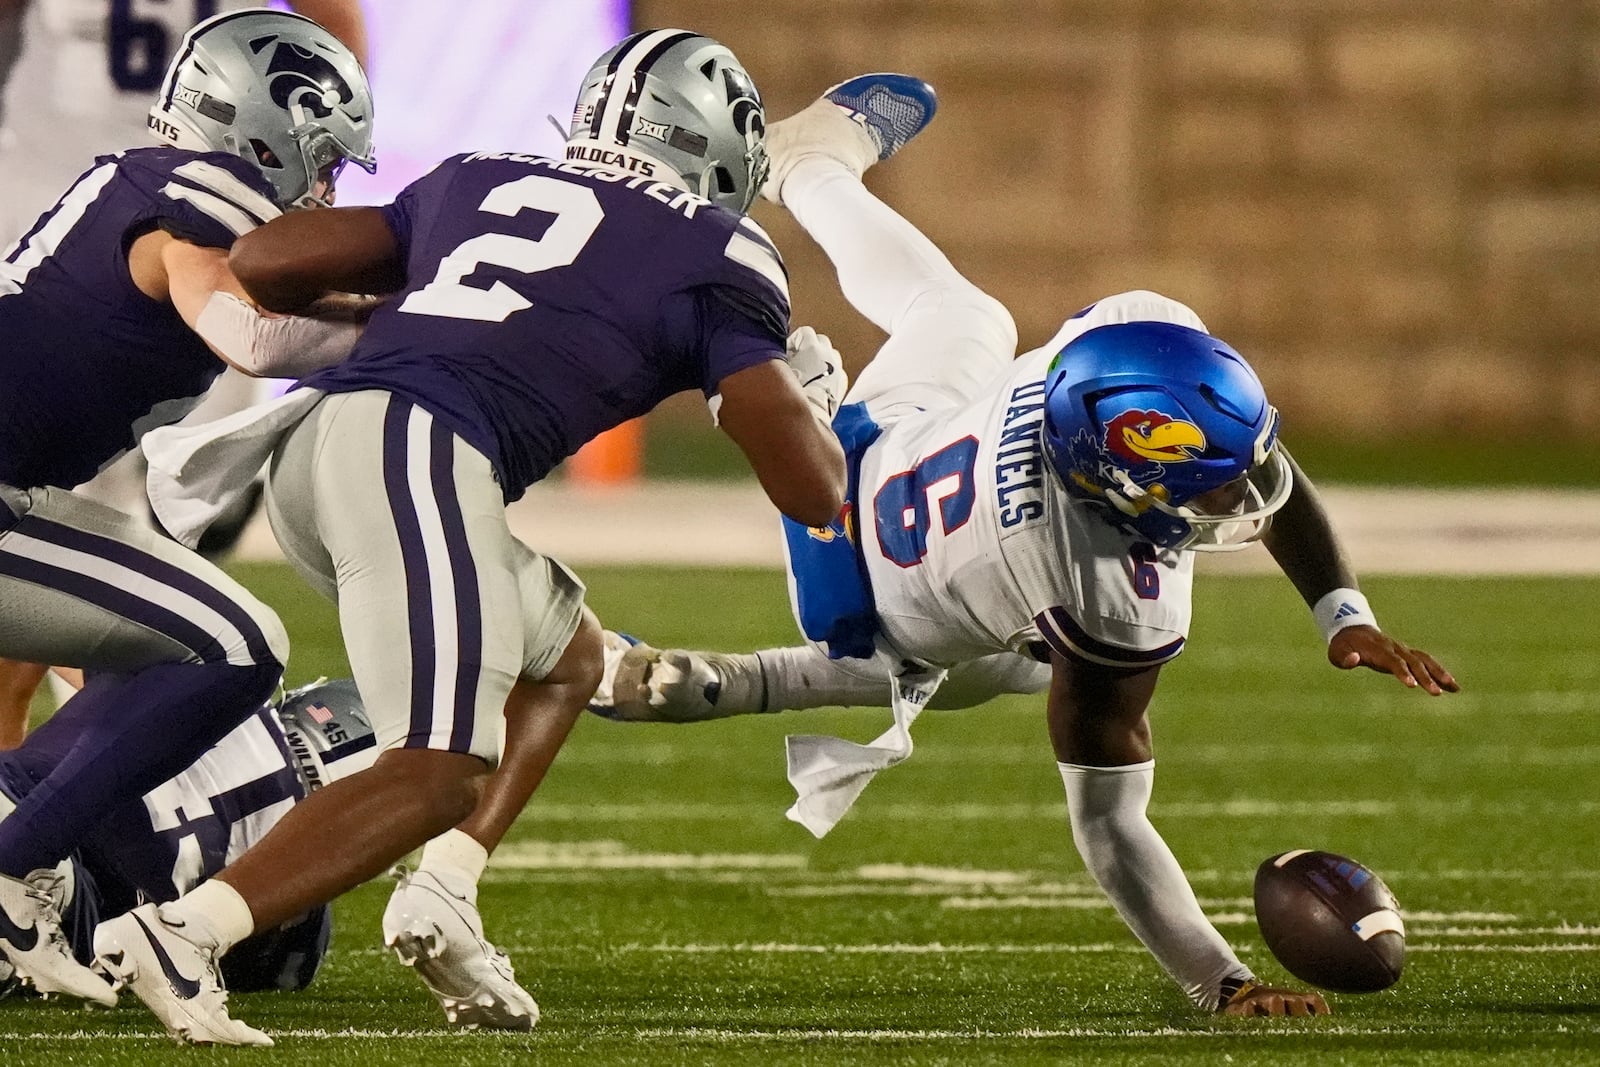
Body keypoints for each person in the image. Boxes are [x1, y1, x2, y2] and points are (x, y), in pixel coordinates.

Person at [589, 76, 1460, 1018]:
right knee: (988, 667)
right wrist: (1224, 981)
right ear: (1113, 480)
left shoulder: (1119, 349)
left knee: (971, 321)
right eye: (1203, 488)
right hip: (857, 586)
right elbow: (1111, 826)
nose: (1235, 500)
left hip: (873, 453)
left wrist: (1344, 612)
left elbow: (1251, 460)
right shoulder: (1101, 587)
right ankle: (724, 668)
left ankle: (803, 175)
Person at [102, 28, 850, 1045]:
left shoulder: (484, 174)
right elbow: (807, 489)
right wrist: (810, 409)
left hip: (315, 447)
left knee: (566, 658)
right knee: (438, 761)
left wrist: (427, 310)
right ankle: (184, 933)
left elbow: (268, 260)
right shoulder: (720, 252)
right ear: (720, 147)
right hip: (414, 454)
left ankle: (444, 889)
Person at [0, 7, 374, 1008]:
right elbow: (251, 335)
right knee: (233, 639)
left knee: (147, 639)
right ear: (271, 130)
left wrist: (376, 318)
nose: (327, 186)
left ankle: (25, 838)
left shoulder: (149, 176)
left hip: (17, 493)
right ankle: (10, 857)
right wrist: (390, 331)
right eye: (324, 159)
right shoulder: (203, 195)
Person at [0, 679, 375, 1002]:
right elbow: (281, 973)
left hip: (19, 806)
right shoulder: (302, 913)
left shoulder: (225, 683)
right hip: (62, 905)